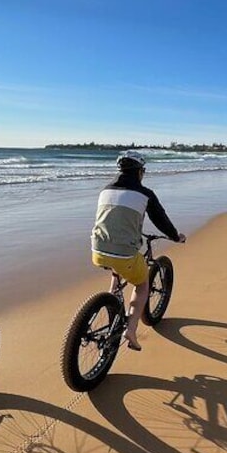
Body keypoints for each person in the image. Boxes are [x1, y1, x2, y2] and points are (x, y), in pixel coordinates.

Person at [90, 150, 186, 350]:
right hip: (124, 253)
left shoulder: (105, 190)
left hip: (97, 249)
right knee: (142, 286)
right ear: (140, 172)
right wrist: (176, 236)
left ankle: (111, 310)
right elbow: (161, 220)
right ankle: (131, 330)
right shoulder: (145, 194)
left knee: (117, 274)